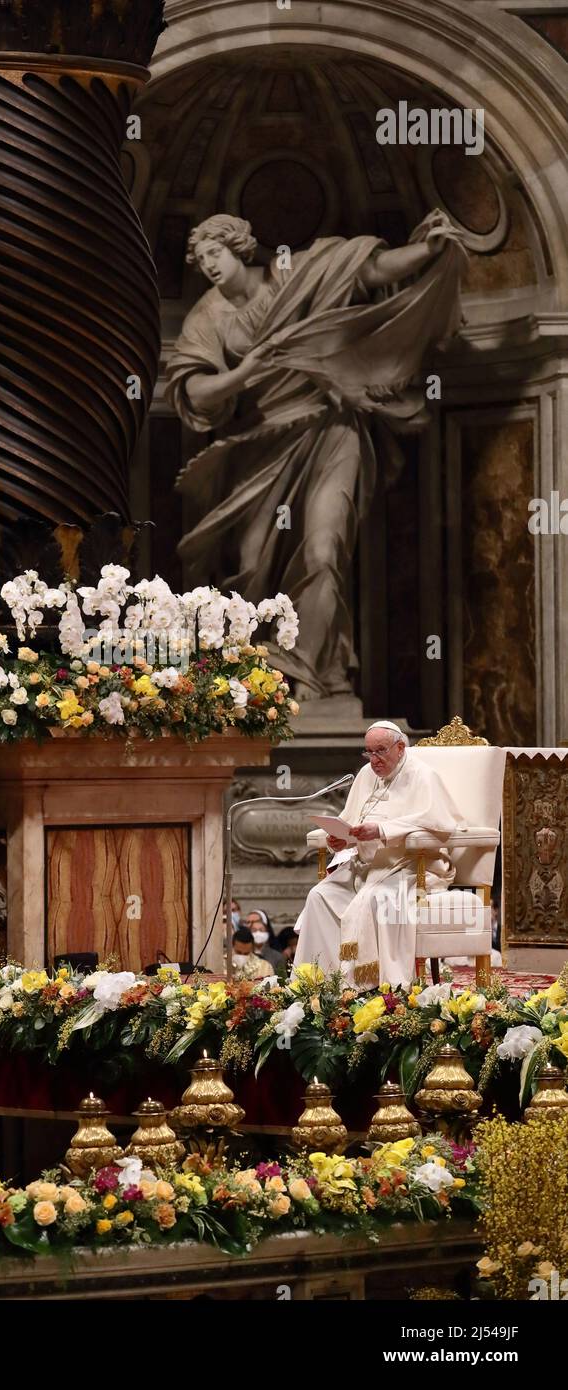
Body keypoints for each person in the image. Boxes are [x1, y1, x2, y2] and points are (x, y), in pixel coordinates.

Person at [167, 210, 470, 700]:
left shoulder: (290, 271)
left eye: (215, 254)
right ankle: (258, 679)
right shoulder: (208, 314)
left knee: (324, 551)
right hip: (262, 445)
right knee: (251, 565)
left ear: (240, 247)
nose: (210, 266)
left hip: (332, 429)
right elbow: (196, 391)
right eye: (201, 260)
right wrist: (247, 373)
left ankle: (309, 670)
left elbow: (366, 269)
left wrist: (428, 250)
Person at [294, 721, 464, 987]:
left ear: (400, 747)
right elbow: (350, 820)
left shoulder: (422, 775)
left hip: (411, 867)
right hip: (366, 866)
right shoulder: (366, 775)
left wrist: (383, 830)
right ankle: (320, 983)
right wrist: (341, 840)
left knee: (377, 900)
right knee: (319, 896)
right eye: (369, 752)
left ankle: (380, 987)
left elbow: (441, 824)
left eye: (380, 751)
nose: (374, 760)